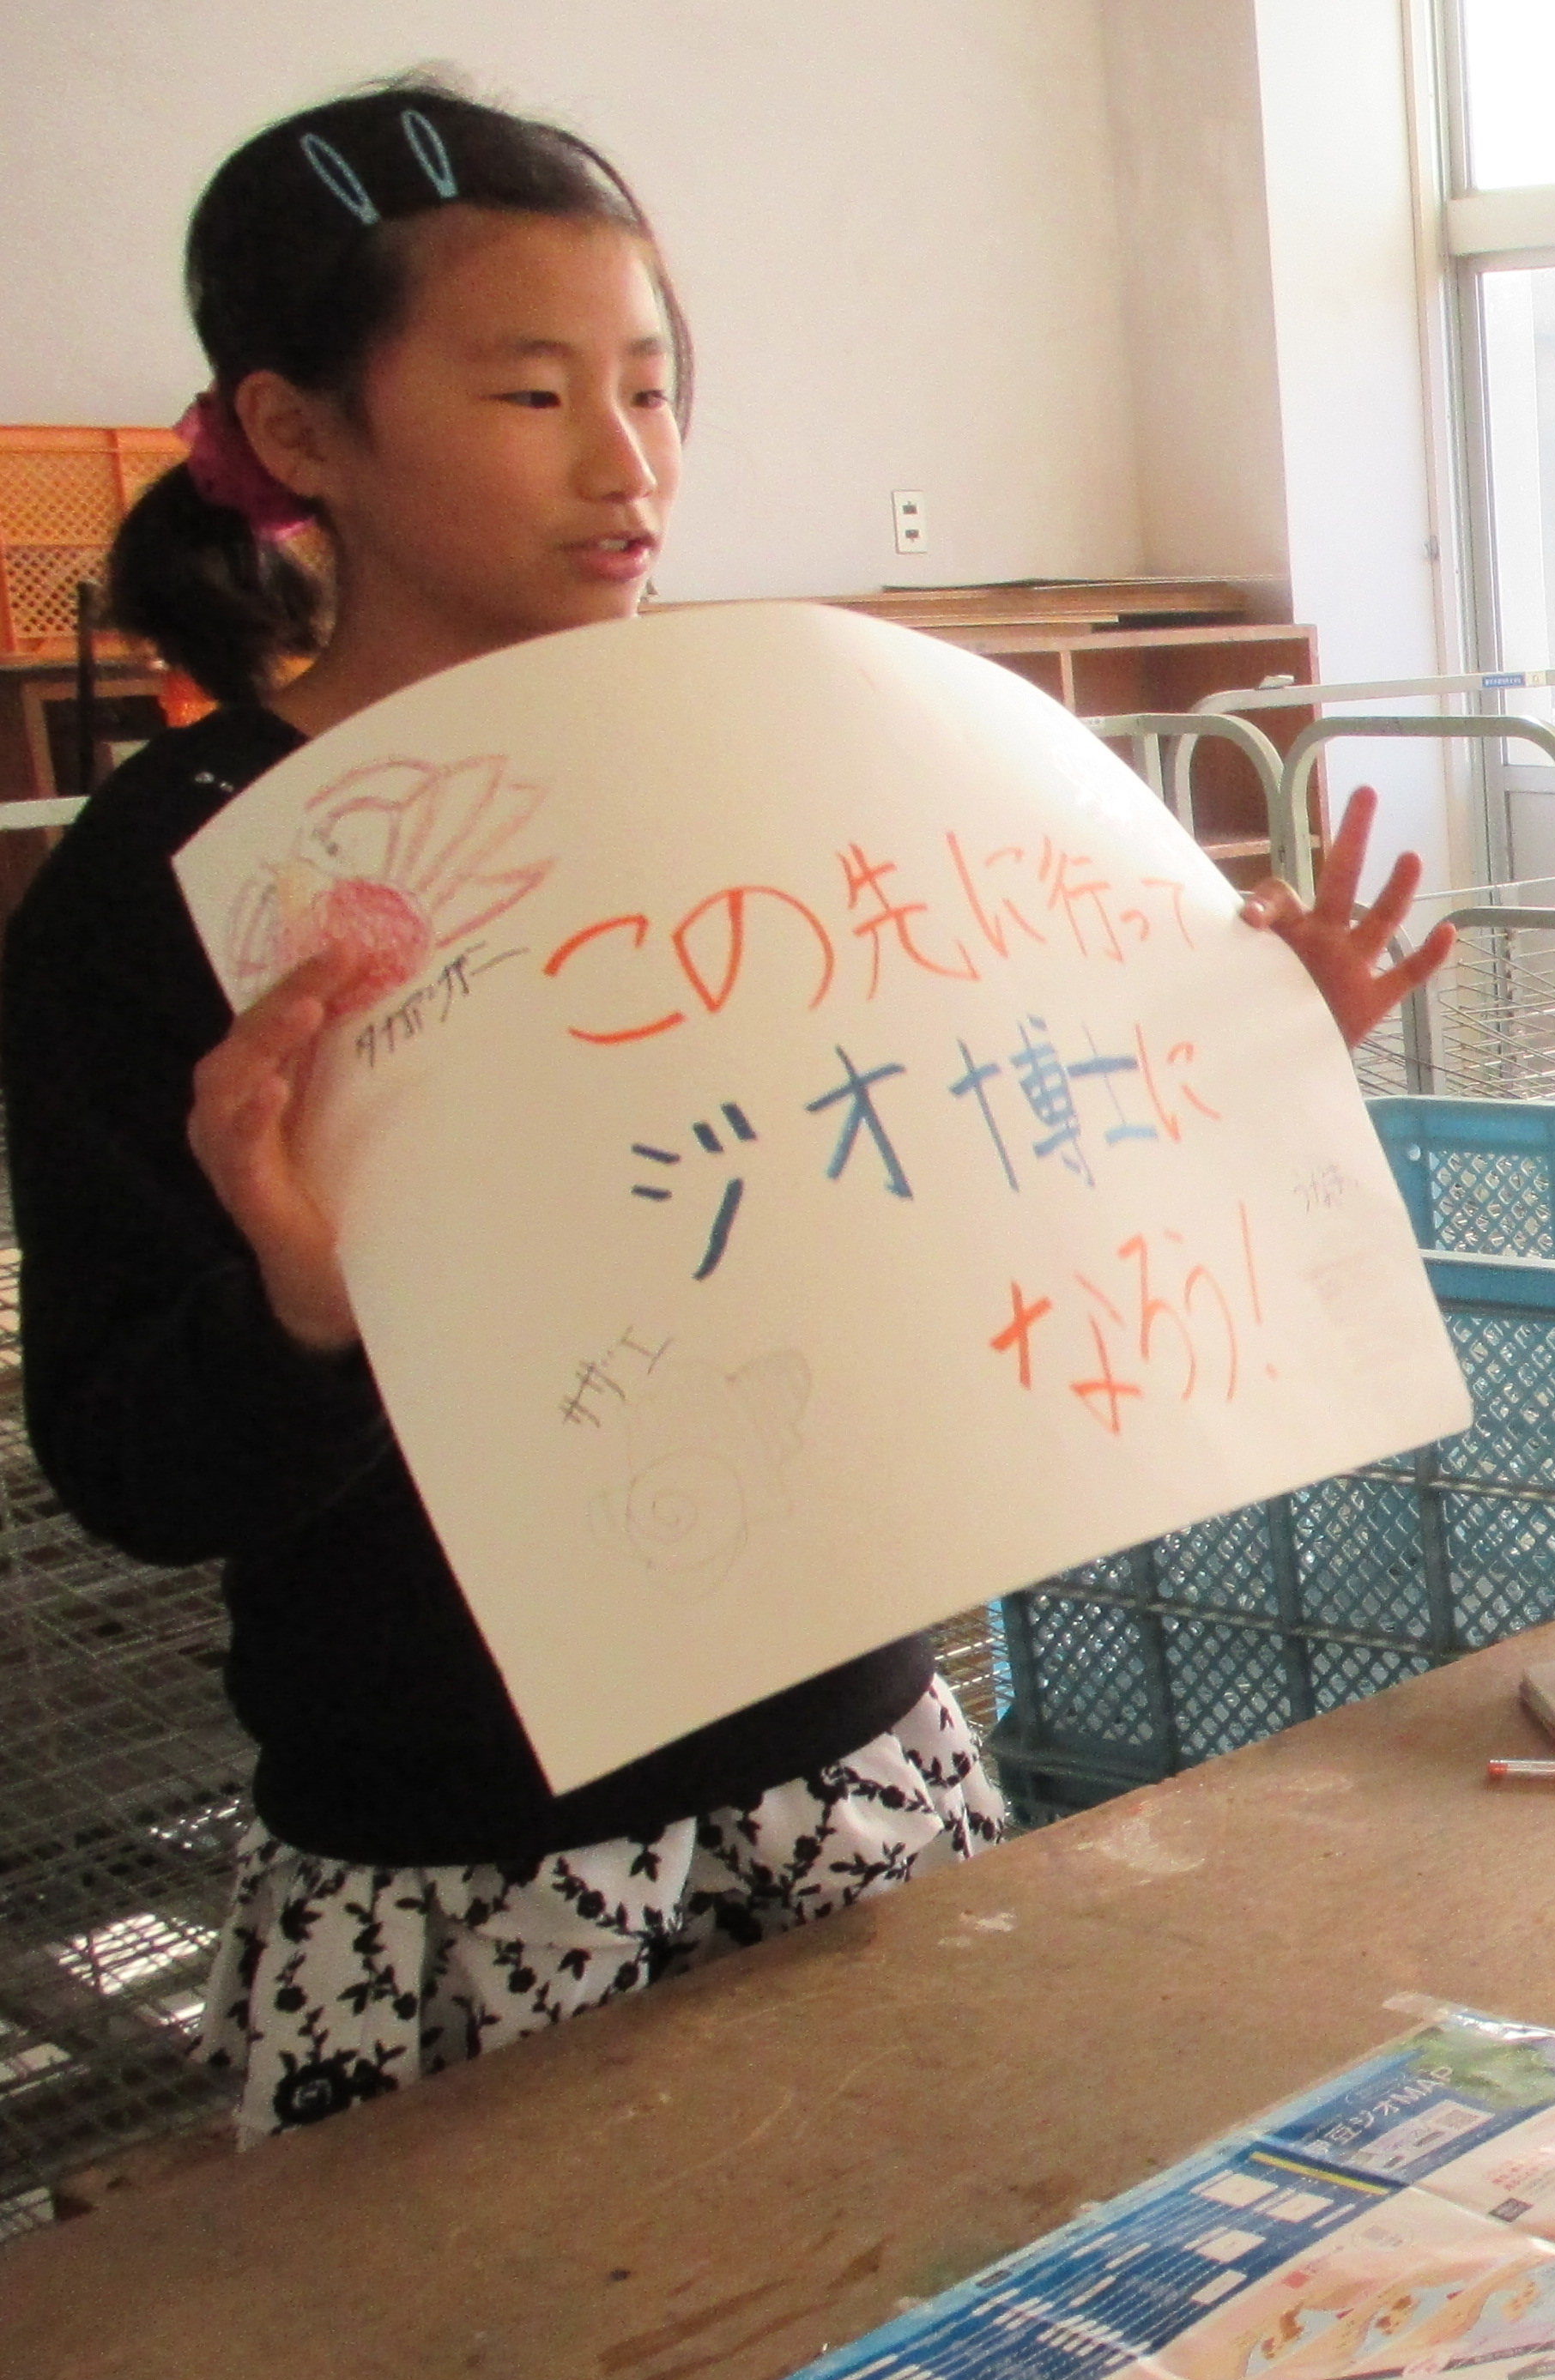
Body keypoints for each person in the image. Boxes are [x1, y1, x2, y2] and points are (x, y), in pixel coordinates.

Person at [0, 83, 1447, 2142]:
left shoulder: (761, 759)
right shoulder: (173, 882)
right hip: (459, 1870)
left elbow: (928, 1165)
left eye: (654, 387)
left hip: (861, 1781)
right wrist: (311, 1301)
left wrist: (1235, 1059)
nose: (629, 464)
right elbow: (132, 1469)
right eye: (534, 395)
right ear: (300, 434)